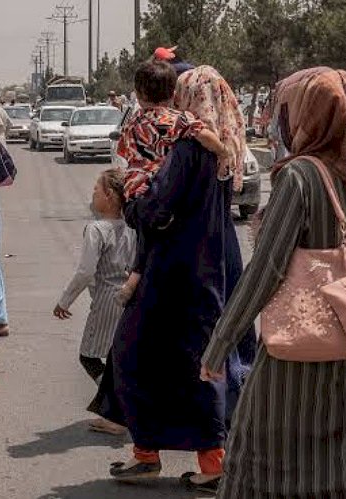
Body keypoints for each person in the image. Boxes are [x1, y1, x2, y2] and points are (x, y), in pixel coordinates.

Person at [200, 67, 346, 498]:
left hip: (296, 361)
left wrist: (221, 343)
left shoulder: (299, 176)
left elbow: (264, 271)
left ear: (306, 115)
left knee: (265, 460)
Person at [88, 70, 233, 493]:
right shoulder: (209, 144)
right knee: (172, 363)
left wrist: (133, 204)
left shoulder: (184, 149)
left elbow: (156, 209)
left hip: (175, 274)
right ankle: (151, 456)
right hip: (196, 270)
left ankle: (202, 463)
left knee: (153, 361)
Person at [173, 65, 257, 434]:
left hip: (199, 252)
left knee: (211, 334)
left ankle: (217, 417)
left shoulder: (194, 144)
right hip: (226, 247)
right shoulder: (228, 139)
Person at [115, 61, 229, 304]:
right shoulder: (179, 121)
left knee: (145, 237)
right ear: (174, 93)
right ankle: (136, 276)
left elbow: (124, 152)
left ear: (138, 94)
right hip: (162, 189)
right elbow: (204, 135)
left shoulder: (133, 123)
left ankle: (135, 276)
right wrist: (223, 151)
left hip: (137, 189)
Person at [53, 168, 135, 436]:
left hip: (106, 301)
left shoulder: (97, 229)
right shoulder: (132, 227)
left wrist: (65, 300)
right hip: (130, 298)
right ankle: (121, 410)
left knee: (89, 356)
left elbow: (86, 271)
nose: (93, 195)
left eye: (96, 191)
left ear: (110, 196)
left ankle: (117, 411)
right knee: (116, 359)